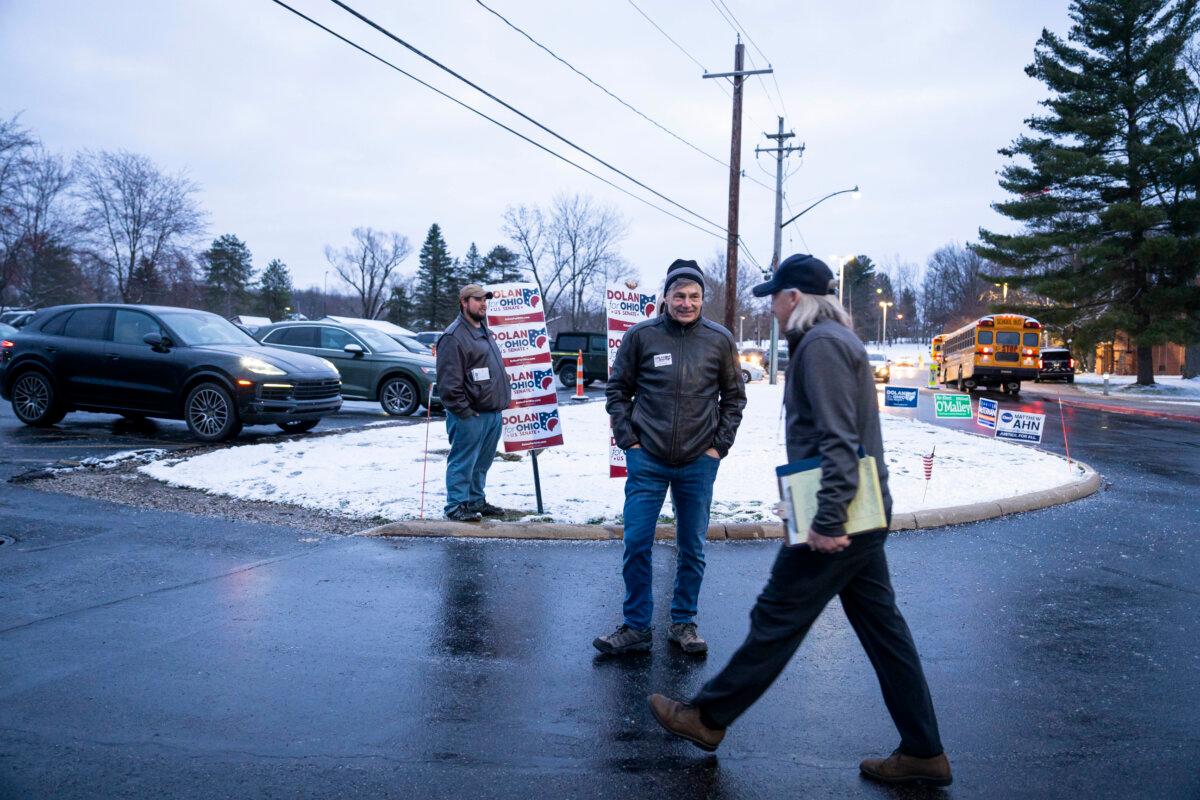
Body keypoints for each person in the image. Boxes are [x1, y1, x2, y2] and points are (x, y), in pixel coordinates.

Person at [647, 254, 952, 787]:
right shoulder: (831, 341)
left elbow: (838, 438)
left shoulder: (822, 346)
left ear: (794, 298)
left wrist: (827, 517)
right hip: (858, 509)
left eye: (775, 297)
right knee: (886, 634)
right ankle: (924, 752)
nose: (771, 309)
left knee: (777, 616)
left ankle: (708, 718)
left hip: (841, 516)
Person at [595, 259, 746, 656]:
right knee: (637, 542)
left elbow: (733, 398)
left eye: (694, 296)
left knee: (692, 546)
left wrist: (718, 448)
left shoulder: (720, 339)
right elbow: (617, 391)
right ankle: (636, 627)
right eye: (679, 295)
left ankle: (683, 623)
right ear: (665, 296)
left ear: (702, 299)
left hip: (699, 460)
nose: (686, 303)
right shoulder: (641, 336)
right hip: (648, 459)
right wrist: (629, 441)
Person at [436, 284, 512, 523]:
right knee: (463, 460)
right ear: (464, 302)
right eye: (477, 299)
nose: (483, 303)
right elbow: (449, 384)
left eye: (485, 299)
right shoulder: (454, 336)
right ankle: (456, 505)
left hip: (491, 412)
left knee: (482, 462)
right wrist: (464, 411)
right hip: (470, 415)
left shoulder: (483, 330)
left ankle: (476, 500)